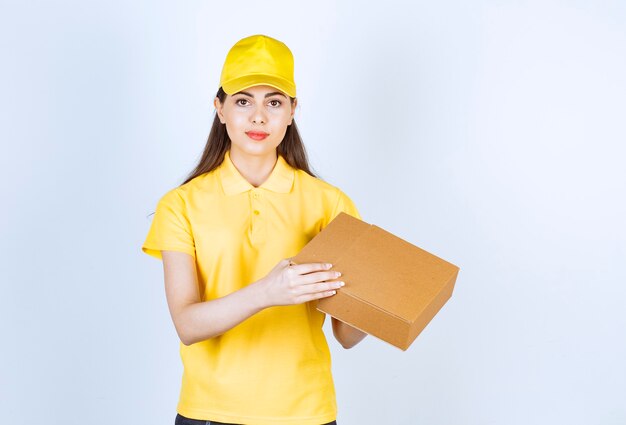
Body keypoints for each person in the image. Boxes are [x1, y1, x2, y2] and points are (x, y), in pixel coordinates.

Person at [142, 34, 367, 425]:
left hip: (306, 413)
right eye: (243, 101)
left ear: (292, 110)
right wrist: (268, 292)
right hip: (209, 412)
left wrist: (391, 295)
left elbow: (346, 335)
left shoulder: (330, 204)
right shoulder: (180, 205)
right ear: (220, 108)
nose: (259, 117)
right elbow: (187, 325)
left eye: (274, 102)